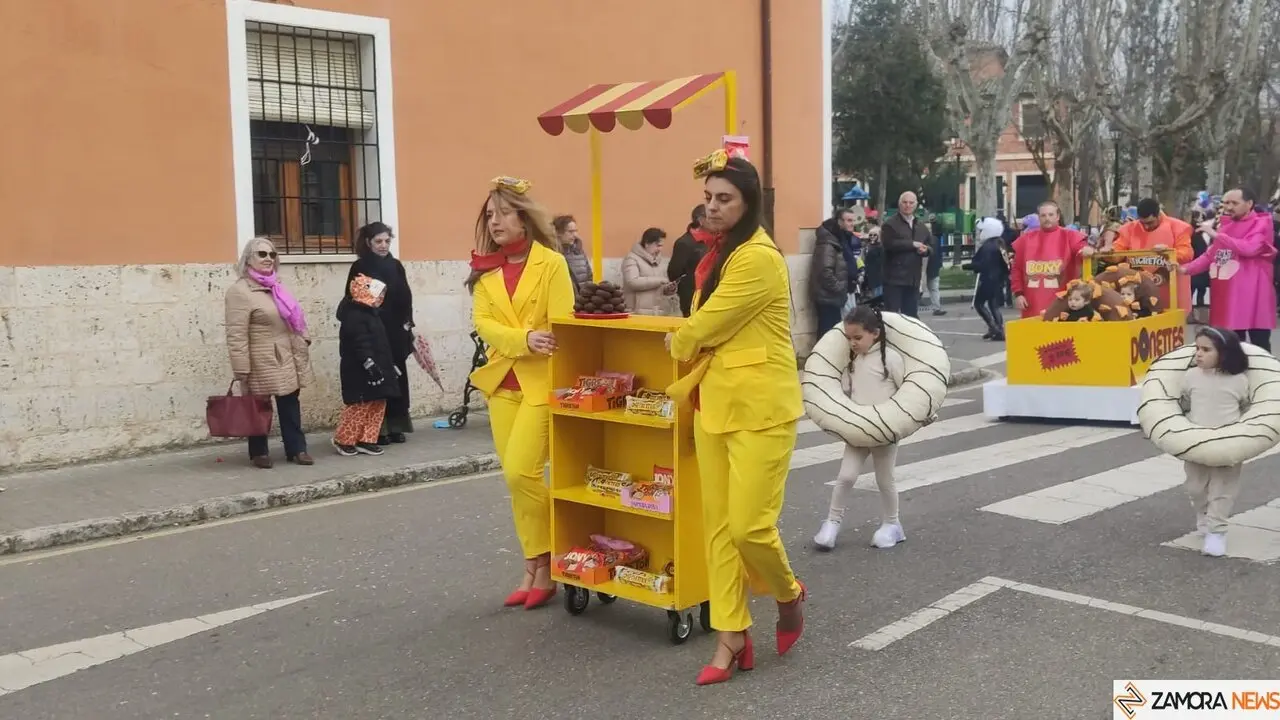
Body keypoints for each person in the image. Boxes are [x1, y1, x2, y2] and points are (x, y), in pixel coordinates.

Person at [666, 150, 805, 686]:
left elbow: (708, 324)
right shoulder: (718, 255)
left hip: (762, 407)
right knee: (719, 530)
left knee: (750, 526)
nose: (712, 208)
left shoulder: (757, 258)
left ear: (748, 204)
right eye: (708, 198)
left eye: (724, 199)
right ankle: (731, 636)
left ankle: (789, 595)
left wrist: (677, 336)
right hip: (714, 404)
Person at [466, 176, 576, 610]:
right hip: (501, 384)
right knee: (516, 484)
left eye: (503, 213)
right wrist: (525, 338)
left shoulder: (550, 263)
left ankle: (555, 551)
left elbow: (563, 323)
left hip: (541, 385)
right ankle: (534, 564)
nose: (494, 222)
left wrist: (530, 339)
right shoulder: (486, 268)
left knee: (521, 473)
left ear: (523, 217)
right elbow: (483, 323)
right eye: (489, 215)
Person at [812, 305, 906, 551]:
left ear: (874, 333)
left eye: (858, 337)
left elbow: (908, 393)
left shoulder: (891, 359)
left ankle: (893, 524)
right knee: (845, 476)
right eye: (849, 338)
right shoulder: (851, 361)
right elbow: (844, 391)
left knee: (885, 480)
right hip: (857, 430)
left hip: (884, 431)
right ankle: (832, 522)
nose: (853, 343)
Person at [224, 238, 314, 469]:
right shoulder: (240, 291)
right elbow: (236, 334)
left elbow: (292, 318)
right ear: (248, 259)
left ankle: (297, 449)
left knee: (290, 404)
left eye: (272, 255)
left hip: (286, 355)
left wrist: (303, 337)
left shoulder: (277, 286)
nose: (267, 259)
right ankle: (258, 452)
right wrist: (241, 368)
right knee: (257, 405)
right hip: (260, 357)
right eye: (261, 254)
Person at [1173, 188, 1277, 351]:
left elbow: (1249, 248)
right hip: (1229, 295)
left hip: (1254, 293)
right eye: (1226, 203)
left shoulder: (1262, 223)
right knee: (1231, 343)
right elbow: (1210, 256)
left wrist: (1216, 235)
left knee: (1260, 344)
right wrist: (1184, 269)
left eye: (1234, 203)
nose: (1228, 207)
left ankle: (1266, 375)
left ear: (1249, 204)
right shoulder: (1226, 227)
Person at [1180, 327, 1250, 557]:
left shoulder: (1239, 380)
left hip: (1226, 444)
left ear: (1224, 353)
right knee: (1196, 487)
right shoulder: (1190, 376)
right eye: (1197, 348)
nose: (1199, 353)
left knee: (1222, 489)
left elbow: (1248, 409)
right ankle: (1203, 515)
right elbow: (1184, 403)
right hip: (1197, 442)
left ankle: (1217, 531)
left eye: (1206, 350)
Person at [345, 222, 415, 445]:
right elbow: (355, 300)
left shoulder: (396, 266)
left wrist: (408, 324)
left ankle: (397, 426)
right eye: (378, 241)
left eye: (387, 241)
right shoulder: (360, 267)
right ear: (368, 243)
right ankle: (378, 430)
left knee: (398, 379)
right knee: (378, 380)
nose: (384, 245)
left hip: (395, 332)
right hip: (374, 330)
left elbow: (406, 297)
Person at [332, 274, 400, 457]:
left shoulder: (372, 314)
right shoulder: (354, 316)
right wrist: (369, 364)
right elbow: (360, 343)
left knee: (378, 403)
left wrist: (388, 365)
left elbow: (381, 344)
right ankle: (344, 439)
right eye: (377, 295)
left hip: (378, 366)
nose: (380, 299)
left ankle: (367, 439)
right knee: (359, 405)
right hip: (360, 369)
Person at [1112, 198, 1193, 312]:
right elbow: (1116, 252)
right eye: (1142, 223)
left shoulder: (1177, 228)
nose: (1146, 227)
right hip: (1139, 297)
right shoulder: (1129, 229)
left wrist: (1169, 252)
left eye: (1150, 223)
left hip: (1171, 295)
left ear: (1158, 214)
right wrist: (1109, 252)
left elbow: (1187, 253)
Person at [1009, 201, 1088, 319]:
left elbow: (1080, 249)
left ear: (1057, 216)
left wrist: (1086, 250)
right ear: (1039, 217)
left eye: (1051, 215)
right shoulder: (1025, 240)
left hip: (1063, 301)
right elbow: (1017, 269)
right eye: (1043, 215)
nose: (1047, 218)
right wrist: (1018, 293)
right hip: (1031, 303)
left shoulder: (1070, 236)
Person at [877, 192, 931, 317]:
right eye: (905, 202)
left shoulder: (921, 226)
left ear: (916, 205)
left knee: (911, 317)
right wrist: (912, 244)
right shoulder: (890, 224)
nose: (908, 205)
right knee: (892, 316)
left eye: (911, 203)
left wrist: (926, 250)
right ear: (899, 204)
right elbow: (889, 244)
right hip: (894, 279)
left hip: (913, 279)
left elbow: (930, 246)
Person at [810, 208, 855, 336]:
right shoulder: (829, 242)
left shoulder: (843, 238)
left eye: (853, 220)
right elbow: (825, 271)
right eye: (848, 220)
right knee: (829, 333)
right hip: (829, 297)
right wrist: (840, 288)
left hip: (838, 295)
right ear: (839, 221)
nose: (852, 224)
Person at [965, 217, 1009, 340]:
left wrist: (968, 266)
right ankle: (998, 329)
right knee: (993, 305)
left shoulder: (988, 246)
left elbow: (983, 264)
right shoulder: (1000, 242)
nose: (979, 233)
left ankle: (994, 327)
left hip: (988, 279)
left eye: (981, 230)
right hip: (998, 279)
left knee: (979, 304)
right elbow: (1006, 263)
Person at [621, 227, 676, 315]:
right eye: (658, 245)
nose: (660, 249)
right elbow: (632, 282)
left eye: (661, 246)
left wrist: (668, 289)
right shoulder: (631, 259)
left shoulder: (658, 261)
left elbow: (659, 286)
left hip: (656, 312)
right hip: (636, 312)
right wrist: (660, 281)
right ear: (647, 243)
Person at [667, 205, 709, 317]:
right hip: (692, 296)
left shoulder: (716, 240)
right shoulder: (685, 243)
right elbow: (674, 272)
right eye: (711, 216)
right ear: (700, 220)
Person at [553, 214, 593, 290]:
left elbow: (589, 276)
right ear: (558, 233)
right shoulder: (554, 254)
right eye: (570, 232)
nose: (575, 235)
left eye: (576, 231)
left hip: (583, 299)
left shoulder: (579, 252)